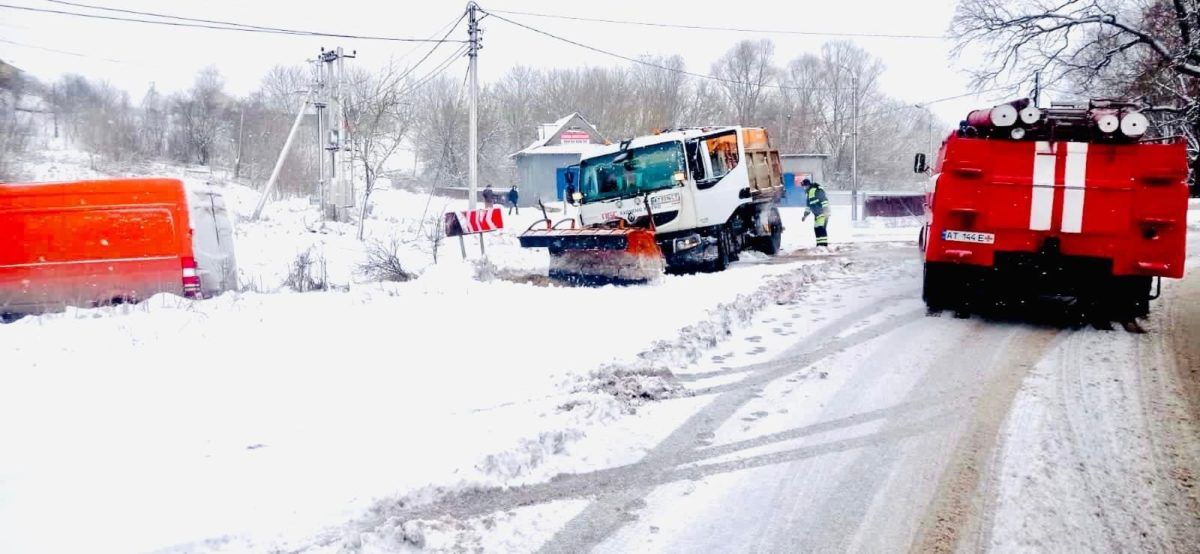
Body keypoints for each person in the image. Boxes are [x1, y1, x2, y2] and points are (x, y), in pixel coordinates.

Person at [801, 178, 830, 248]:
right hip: (817, 215)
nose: (804, 188)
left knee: (820, 228)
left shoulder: (815, 191)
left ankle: (823, 245)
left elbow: (824, 200)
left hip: (822, 213)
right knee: (817, 228)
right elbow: (808, 207)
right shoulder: (809, 194)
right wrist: (805, 215)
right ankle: (820, 245)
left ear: (808, 185)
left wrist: (826, 210)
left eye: (804, 186)